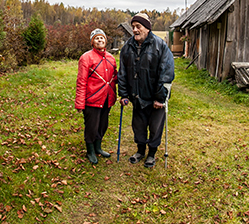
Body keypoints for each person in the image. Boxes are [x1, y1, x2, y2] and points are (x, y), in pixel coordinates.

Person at [118, 13, 175, 168]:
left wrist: (160, 98)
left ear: (147, 28)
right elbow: (122, 72)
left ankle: (151, 154)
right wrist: (123, 94)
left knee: (155, 128)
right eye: (133, 26)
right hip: (137, 97)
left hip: (155, 98)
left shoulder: (160, 46)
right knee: (139, 127)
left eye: (138, 27)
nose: (135, 30)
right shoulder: (127, 47)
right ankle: (140, 151)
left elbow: (166, 73)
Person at [75, 28, 118, 164]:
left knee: (103, 125)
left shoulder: (111, 58)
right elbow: (81, 81)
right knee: (91, 127)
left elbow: (115, 77)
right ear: (92, 42)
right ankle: (90, 151)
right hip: (92, 99)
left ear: (106, 40)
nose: (100, 40)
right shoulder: (86, 58)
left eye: (102, 38)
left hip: (107, 99)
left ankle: (98, 147)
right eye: (96, 38)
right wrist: (80, 103)